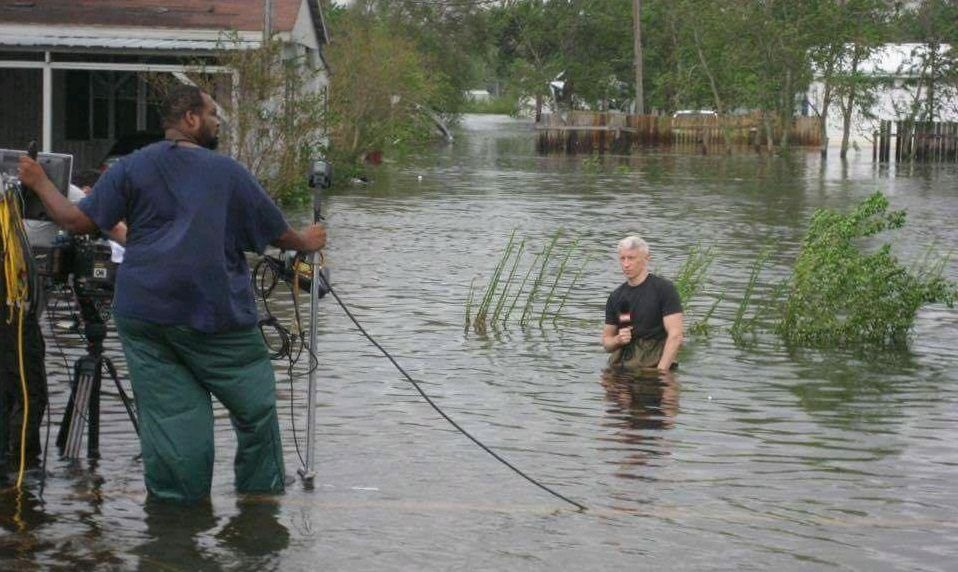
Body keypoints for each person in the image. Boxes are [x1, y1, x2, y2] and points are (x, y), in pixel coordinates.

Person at [17, 84, 327, 504]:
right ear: (191, 119)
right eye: (213, 113)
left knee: (174, 421)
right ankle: (259, 507)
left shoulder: (129, 168)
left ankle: (176, 524)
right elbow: (279, 234)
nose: (218, 121)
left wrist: (38, 182)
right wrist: (309, 240)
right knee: (254, 407)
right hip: (215, 318)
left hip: (145, 317)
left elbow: (75, 221)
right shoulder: (228, 173)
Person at [0, 175, 87, 477]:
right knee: (28, 392)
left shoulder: (55, 186)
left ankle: (15, 470)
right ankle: (22, 469)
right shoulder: (52, 186)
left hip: (19, 310)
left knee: (18, 391)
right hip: (15, 314)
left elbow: (93, 219)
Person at [602, 236, 683, 372]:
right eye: (622, 258)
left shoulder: (664, 289)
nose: (626, 264)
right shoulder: (616, 296)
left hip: (653, 368)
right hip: (620, 367)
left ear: (646, 259)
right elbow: (606, 343)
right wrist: (618, 340)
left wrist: (661, 373)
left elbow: (676, 335)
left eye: (631, 258)